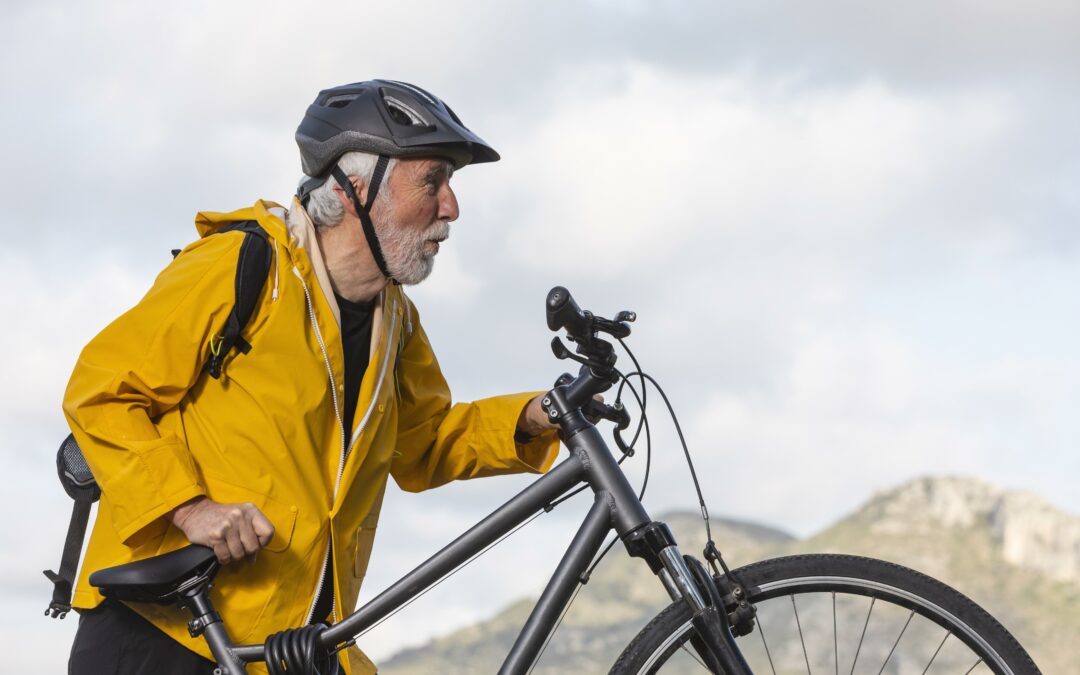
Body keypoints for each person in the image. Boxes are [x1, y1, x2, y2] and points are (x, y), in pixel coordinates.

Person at [63, 79, 561, 674]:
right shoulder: (244, 267)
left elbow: (423, 444)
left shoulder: (395, 321)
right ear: (354, 189)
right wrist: (191, 507)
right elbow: (101, 391)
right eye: (433, 179)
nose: (451, 206)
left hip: (291, 646)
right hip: (164, 637)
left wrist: (536, 416)